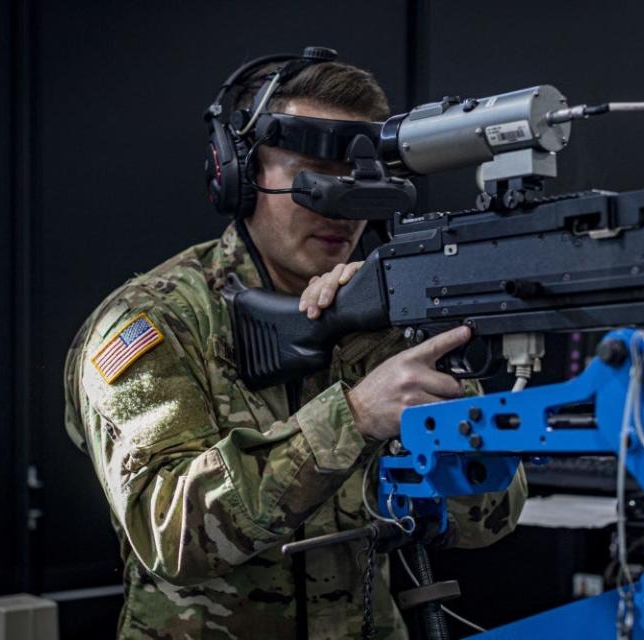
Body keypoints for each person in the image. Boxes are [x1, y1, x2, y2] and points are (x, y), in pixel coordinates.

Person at [64, 52, 527, 639]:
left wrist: (449, 428)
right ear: (239, 174)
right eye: (312, 175)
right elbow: (170, 534)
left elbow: (492, 519)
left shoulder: (391, 315)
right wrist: (355, 416)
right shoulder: (157, 320)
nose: (341, 205)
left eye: (361, 180)